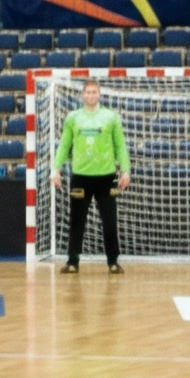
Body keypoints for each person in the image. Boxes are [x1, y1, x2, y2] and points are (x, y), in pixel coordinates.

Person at [52, 79, 129, 274]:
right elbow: (64, 145)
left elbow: (120, 145)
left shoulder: (111, 117)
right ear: (83, 95)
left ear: (99, 95)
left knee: (110, 221)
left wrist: (125, 170)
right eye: (88, 92)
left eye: (95, 92)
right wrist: (56, 168)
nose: (91, 95)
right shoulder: (73, 118)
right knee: (77, 221)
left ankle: (113, 261)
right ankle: (72, 262)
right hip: (81, 177)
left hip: (106, 177)